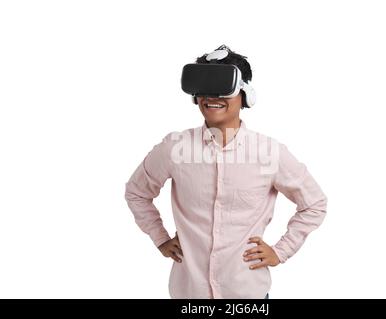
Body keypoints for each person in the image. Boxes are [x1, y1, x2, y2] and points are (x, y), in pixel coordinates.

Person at [124, 45, 327, 299]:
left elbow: (314, 203)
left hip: (247, 293)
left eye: (223, 87)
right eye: (205, 88)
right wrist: (160, 237)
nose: (212, 96)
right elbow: (136, 192)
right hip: (190, 294)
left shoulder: (269, 153)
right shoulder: (174, 148)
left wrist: (281, 251)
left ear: (246, 94)